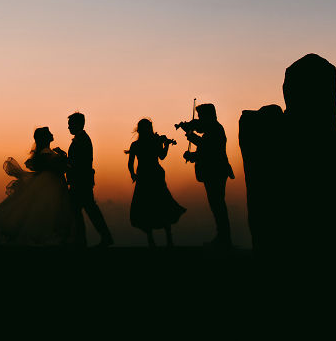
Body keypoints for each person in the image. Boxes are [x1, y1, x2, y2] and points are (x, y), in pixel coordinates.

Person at [0, 127, 75, 246]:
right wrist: (63, 158)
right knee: (47, 211)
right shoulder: (46, 152)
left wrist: (62, 157)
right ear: (45, 137)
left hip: (51, 183)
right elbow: (52, 166)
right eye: (49, 133)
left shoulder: (46, 151)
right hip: (50, 184)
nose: (52, 134)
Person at [180, 103, 235, 249]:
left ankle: (224, 238)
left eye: (200, 117)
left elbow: (206, 150)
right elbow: (205, 147)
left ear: (207, 116)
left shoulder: (215, 130)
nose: (198, 120)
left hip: (216, 172)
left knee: (218, 205)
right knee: (217, 205)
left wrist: (190, 136)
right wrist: (192, 139)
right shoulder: (214, 129)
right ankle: (223, 237)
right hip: (217, 171)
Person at [127, 119, 186, 247]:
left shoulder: (135, 145)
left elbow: (130, 164)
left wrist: (133, 175)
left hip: (143, 175)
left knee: (145, 207)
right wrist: (166, 145)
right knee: (162, 204)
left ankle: (151, 240)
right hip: (155, 174)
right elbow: (162, 156)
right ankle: (169, 239)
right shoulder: (155, 141)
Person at [66, 112, 114, 247]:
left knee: (81, 210)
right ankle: (92, 238)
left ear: (77, 124)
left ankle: (84, 240)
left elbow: (79, 162)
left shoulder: (82, 140)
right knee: (85, 210)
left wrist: (65, 160)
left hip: (80, 181)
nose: (68, 127)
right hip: (82, 181)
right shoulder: (82, 139)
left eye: (70, 125)